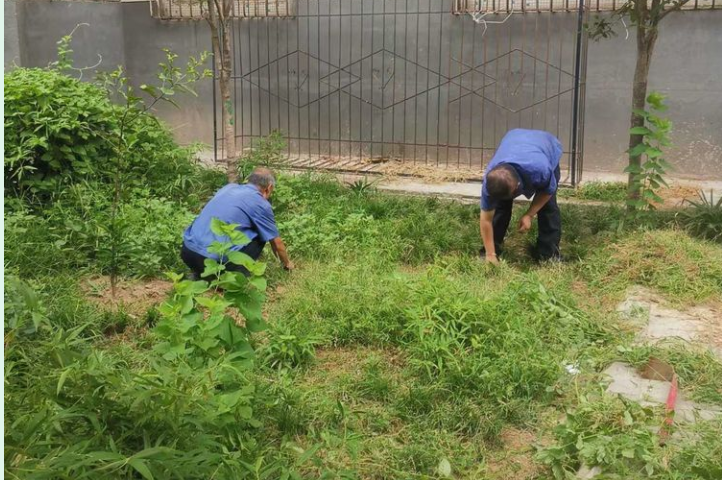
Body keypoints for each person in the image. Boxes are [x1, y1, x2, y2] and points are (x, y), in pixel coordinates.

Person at [181, 167, 294, 278]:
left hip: (188, 252)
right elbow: (276, 243)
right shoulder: (260, 203)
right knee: (261, 234)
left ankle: (200, 274)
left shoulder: (229, 188)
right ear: (269, 188)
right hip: (214, 260)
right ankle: (234, 278)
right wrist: (287, 264)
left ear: (248, 180)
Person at [479, 129, 563, 264]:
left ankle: (548, 254)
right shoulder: (491, 180)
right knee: (500, 208)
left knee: (548, 207)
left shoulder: (541, 170)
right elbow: (485, 220)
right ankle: (492, 250)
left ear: (518, 186)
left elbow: (547, 192)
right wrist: (490, 253)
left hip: (546, 145)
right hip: (514, 140)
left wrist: (529, 214)